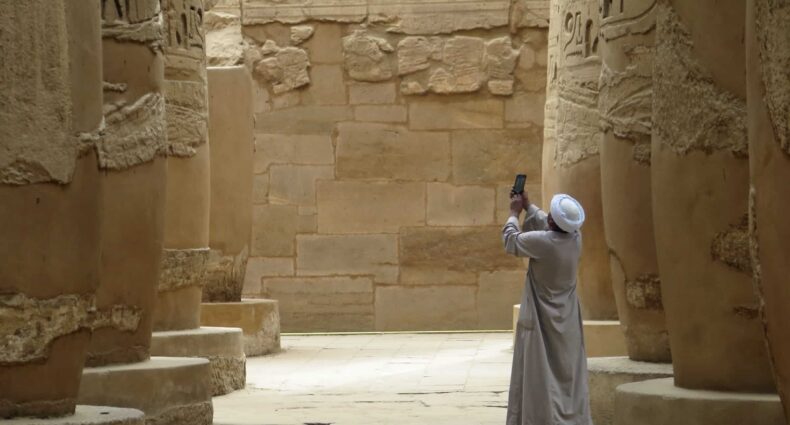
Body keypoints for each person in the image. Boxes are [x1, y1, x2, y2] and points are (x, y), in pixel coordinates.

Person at [503, 190, 592, 425]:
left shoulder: (543, 243)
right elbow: (550, 225)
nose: (548, 215)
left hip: (542, 322)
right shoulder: (575, 238)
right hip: (567, 320)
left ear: (553, 220)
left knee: (539, 375)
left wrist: (514, 212)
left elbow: (511, 240)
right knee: (566, 377)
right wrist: (529, 206)